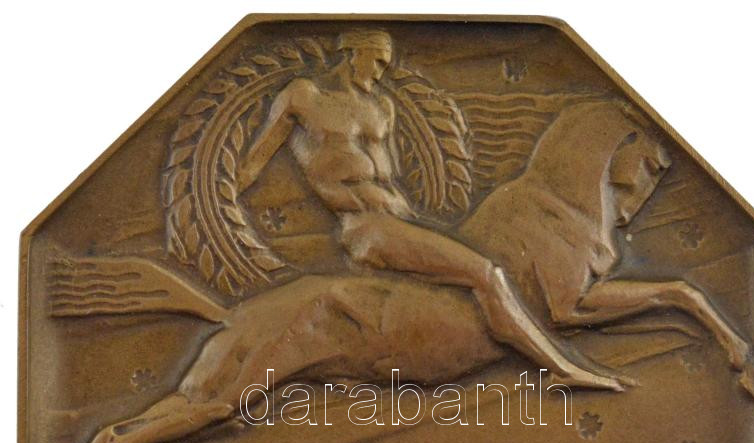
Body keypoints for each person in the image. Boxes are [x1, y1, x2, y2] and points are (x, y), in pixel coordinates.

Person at [238, 29, 623, 391]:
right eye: (375, 60)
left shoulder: (380, 107)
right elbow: (254, 162)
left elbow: (387, 176)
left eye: (386, 63)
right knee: (487, 274)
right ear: (351, 52)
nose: (380, 71)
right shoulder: (304, 96)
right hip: (368, 229)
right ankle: (562, 368)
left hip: (400, 220)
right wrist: (230, 199)